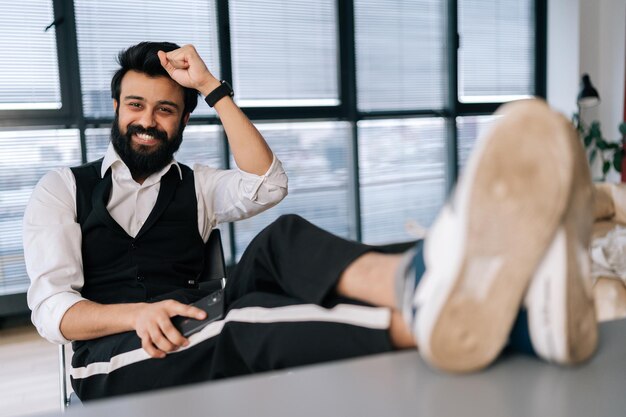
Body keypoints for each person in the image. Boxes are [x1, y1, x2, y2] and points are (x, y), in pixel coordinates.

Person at [23, 41, 598, 402]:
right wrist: (138, 312)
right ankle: (468, 323)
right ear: (117, 110)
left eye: (165, 109)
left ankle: (423, 279)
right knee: (248, 322)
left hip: (195, 312)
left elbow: (269, 184)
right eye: (136, 105)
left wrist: (214, 90)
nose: (148, 120)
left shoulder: (193, 184)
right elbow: (52, 310)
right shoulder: (62, 190)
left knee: (282, 239)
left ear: (180, 122)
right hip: (117, 356)